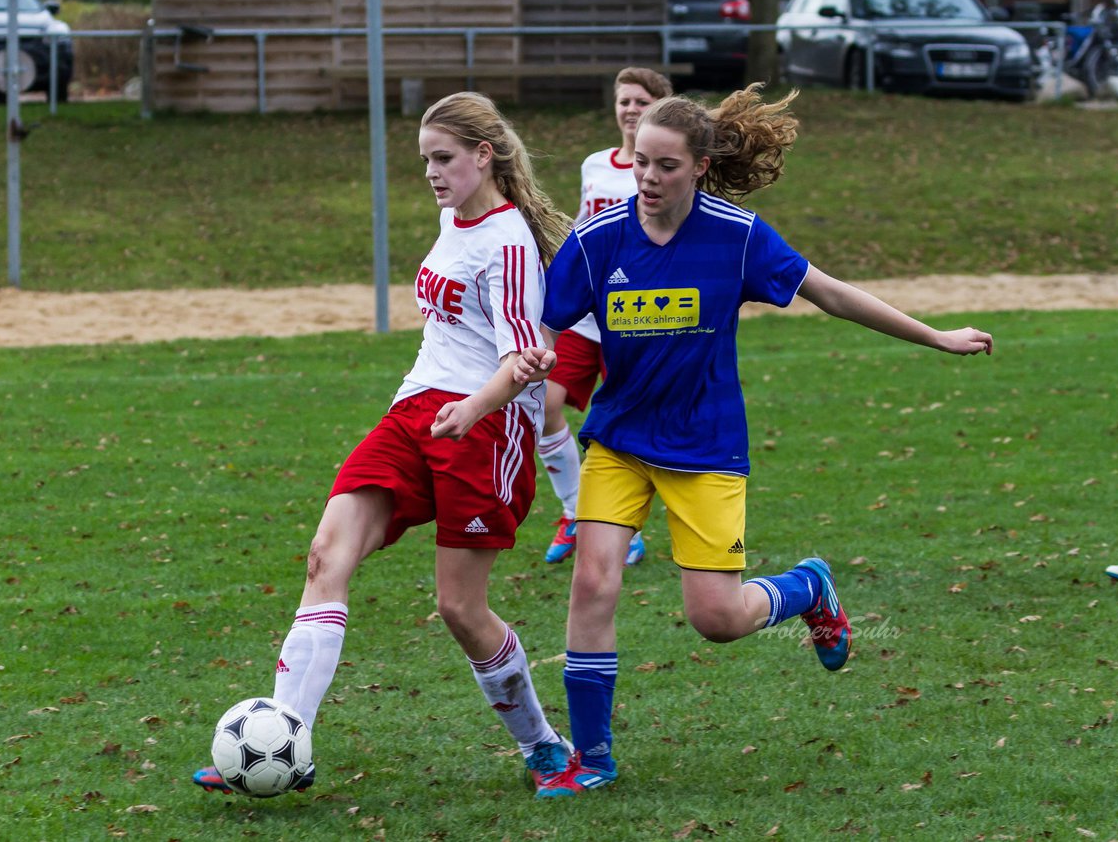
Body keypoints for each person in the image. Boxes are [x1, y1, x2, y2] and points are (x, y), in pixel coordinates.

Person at [516, 84, 994, 795]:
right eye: (641, 163)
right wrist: (523, 364)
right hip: (618, 440)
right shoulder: (597, 242)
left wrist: (934, 336)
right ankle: (593, 759)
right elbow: (543, 327)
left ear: (701, 166)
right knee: (591, 584)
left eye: (666, 166)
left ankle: (809, 587)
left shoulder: (736, 236)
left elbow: (827, 292)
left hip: (705, 446)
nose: (648, 178)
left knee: (716, 619)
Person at [193, 91, 580, 799]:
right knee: (324, 557)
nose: (431, 173)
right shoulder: (452, 219)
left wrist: (473, 408)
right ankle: (290, 740)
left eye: (443, 159)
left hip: (484, 430)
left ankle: (546, 747)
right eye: (425, 160)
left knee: (461, 609)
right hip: (412, 415)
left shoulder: (509, 241)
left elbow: (529, 358)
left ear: (483, 156)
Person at [542, 67, 673, 568]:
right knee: (543, 405)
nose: (631, 109)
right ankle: (575, 512)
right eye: (624, 101)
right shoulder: (595, 164)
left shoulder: (663, 170)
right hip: (584, 315)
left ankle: (625, 529)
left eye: (642, 100)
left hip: (636, 319)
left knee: (625, 425)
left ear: (660, 106)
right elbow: (582, 228)